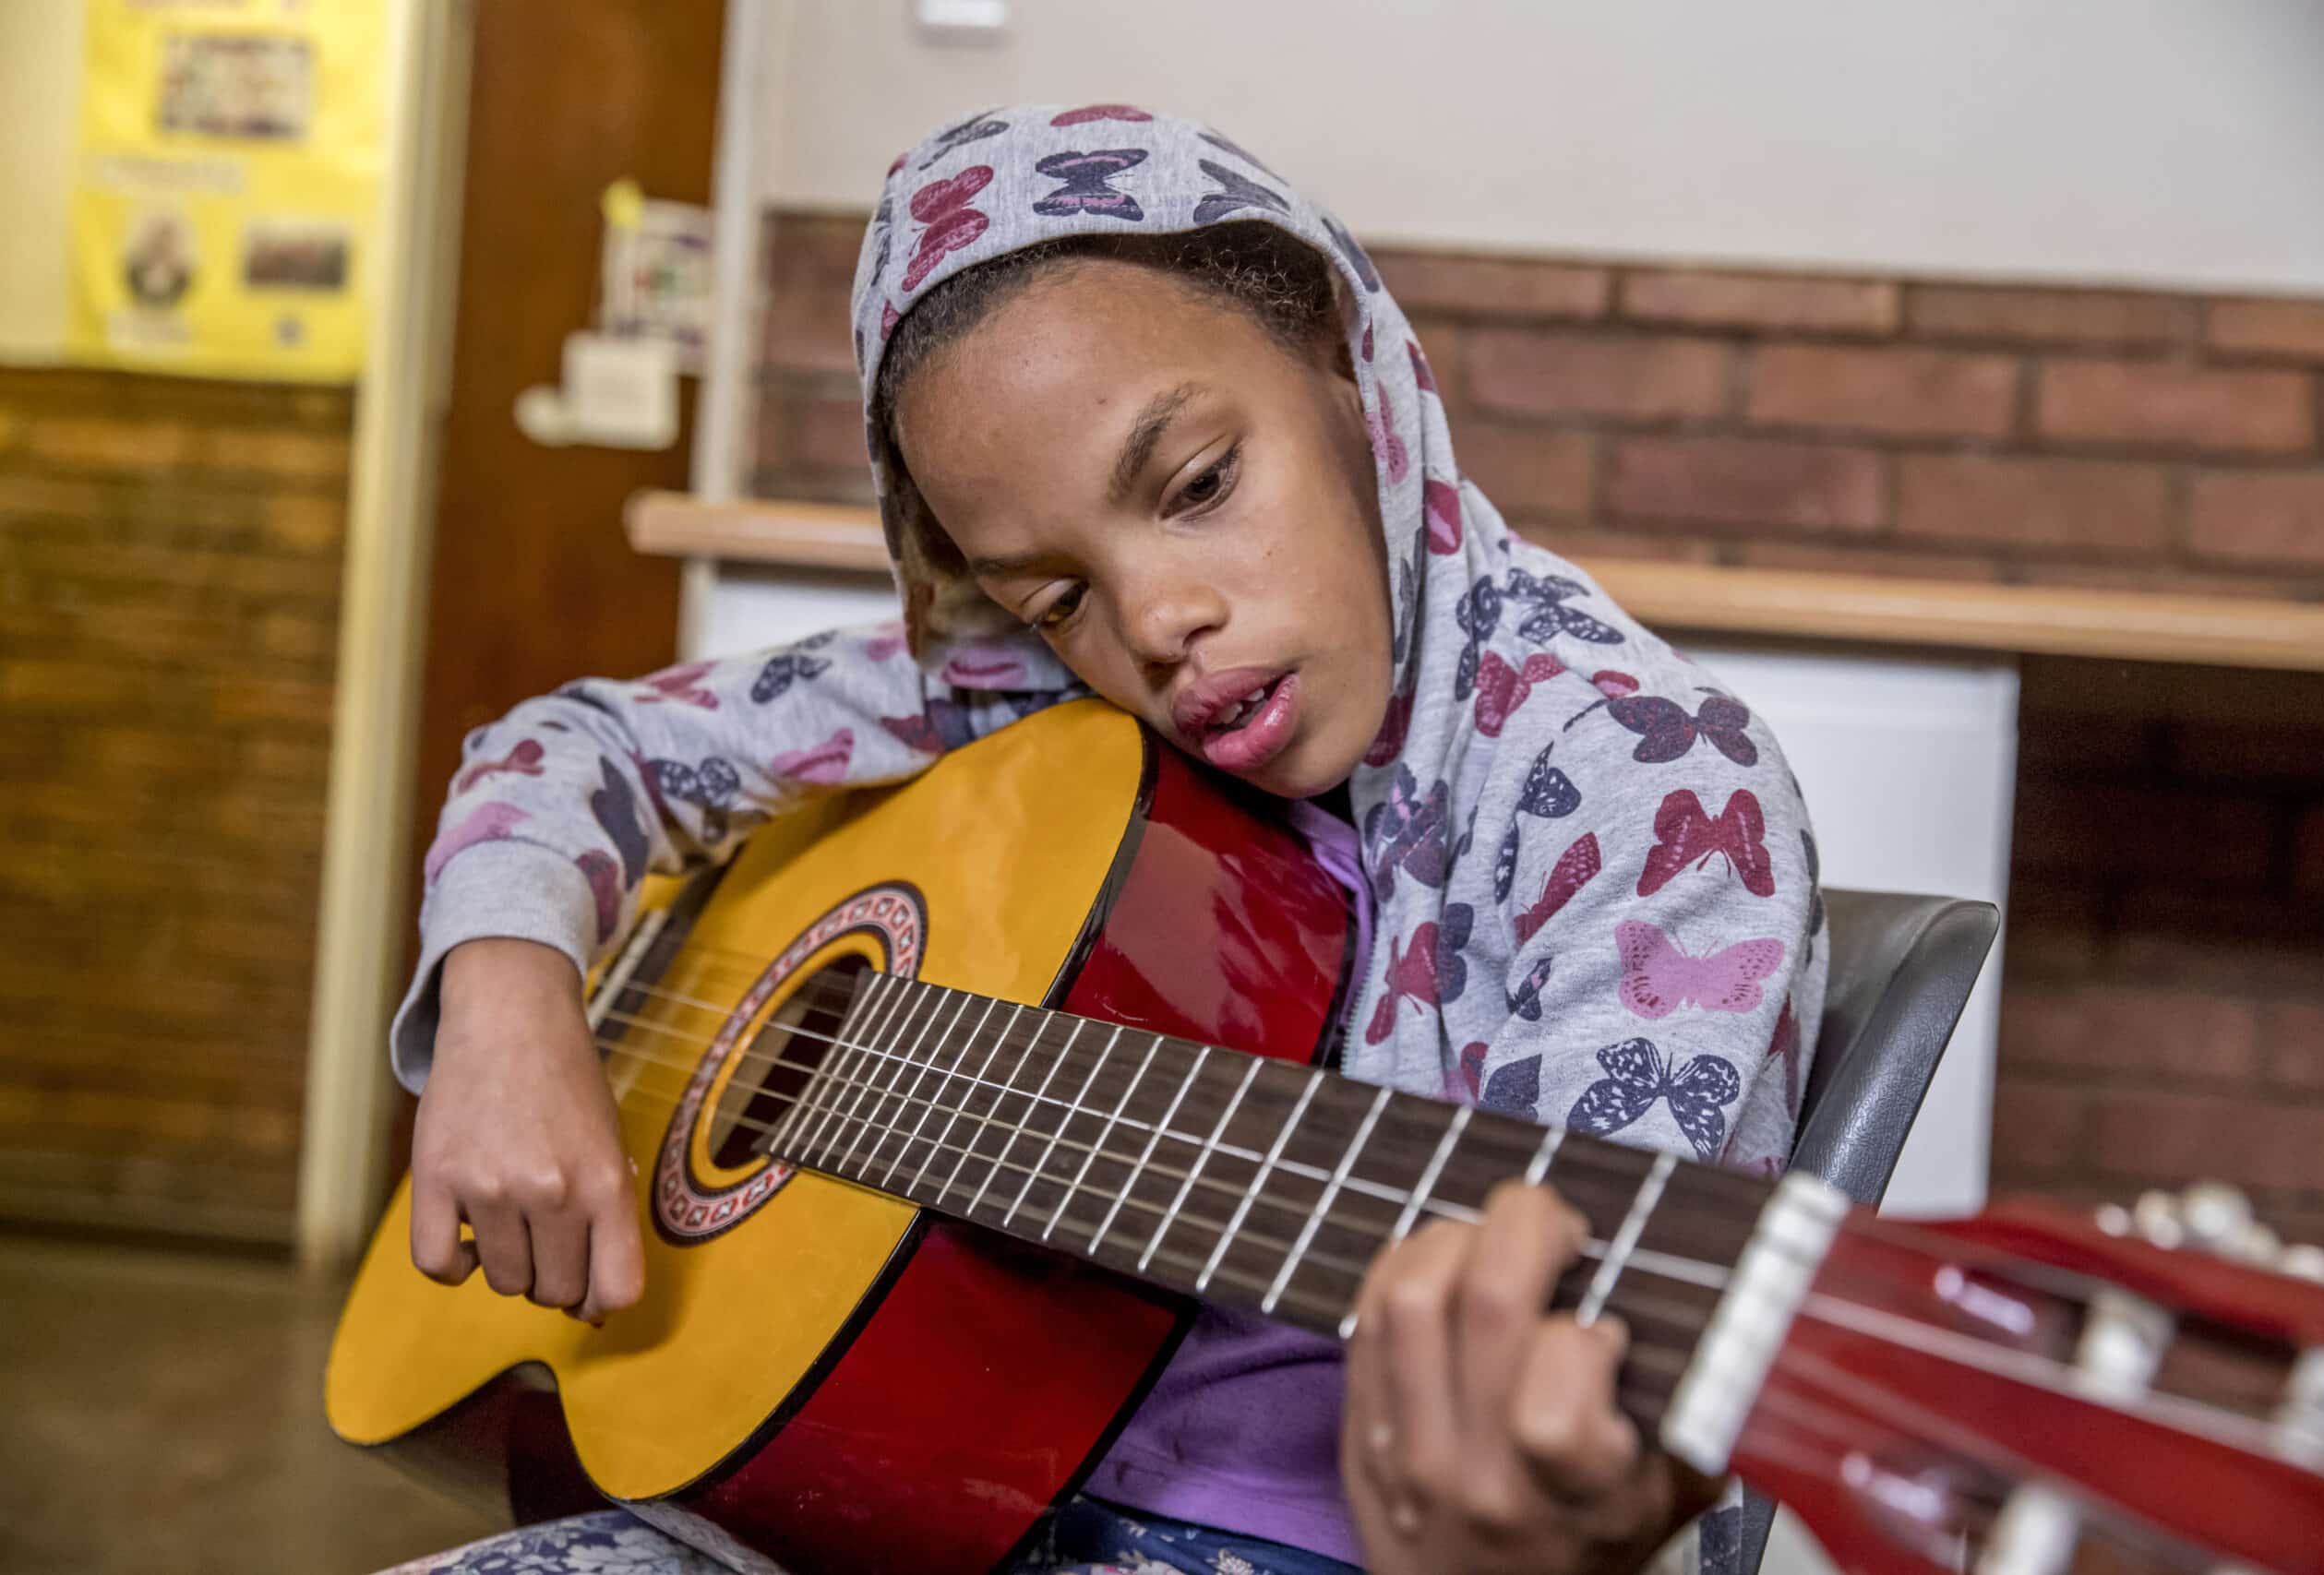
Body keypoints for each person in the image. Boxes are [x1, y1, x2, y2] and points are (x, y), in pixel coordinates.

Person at [387, 103, 1827, 1575]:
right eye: (1051, 593)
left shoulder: (1640, 792)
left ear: (1349, 369)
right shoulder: (1021, 707)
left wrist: (1521, 1499)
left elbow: (1596, 1398)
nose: (1152, 625)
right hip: (918, 1490)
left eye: (1199, 486)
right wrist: (508, 995)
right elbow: (571, 744)